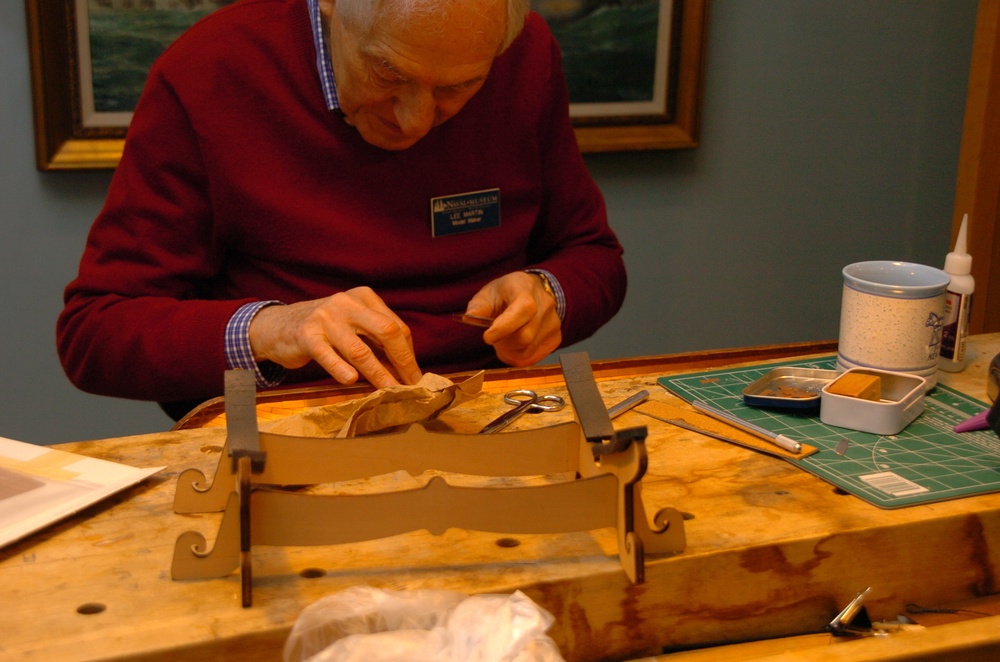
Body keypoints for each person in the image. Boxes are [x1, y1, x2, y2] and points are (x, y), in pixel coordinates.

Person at [57, 0, 626, 420]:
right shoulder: (211, 71)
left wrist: (549, 293)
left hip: (485, 410)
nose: (415, 121)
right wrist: (273, 328)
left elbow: (593, 255)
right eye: (389, 74)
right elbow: (95, 334)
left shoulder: (523, 52)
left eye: (460, 87)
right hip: (291, 423)